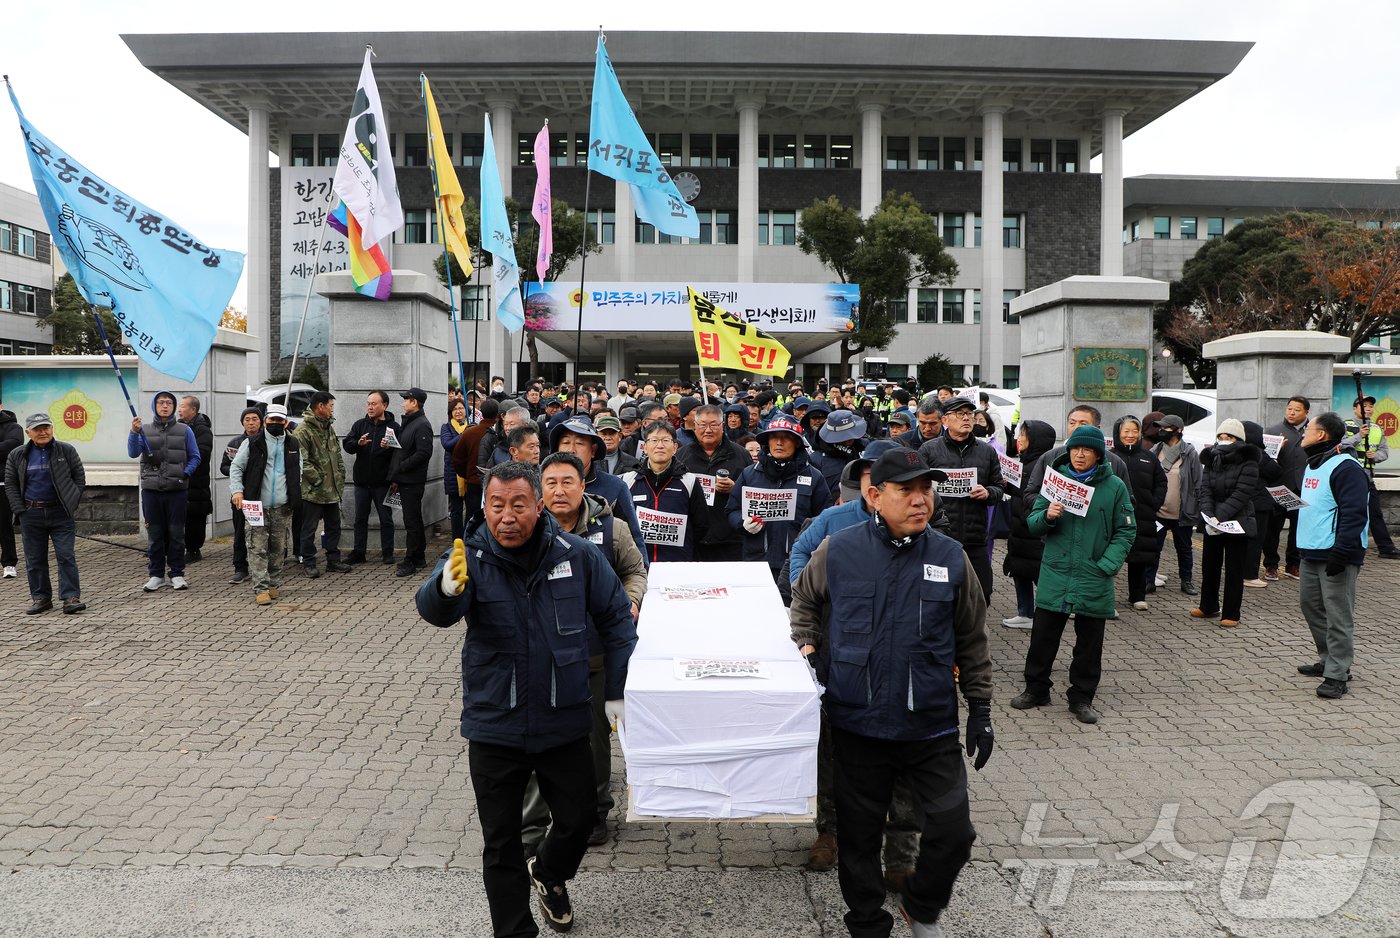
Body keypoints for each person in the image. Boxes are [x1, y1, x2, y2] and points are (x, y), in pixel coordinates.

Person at [415, 461, 637, 938]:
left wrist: (616, 692)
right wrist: (446, 588)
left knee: (579, 823)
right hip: (496, 724)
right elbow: (433, 611)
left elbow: (619, 621)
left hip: (564, 720)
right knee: (502, 844)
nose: (507, 516)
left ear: (539, 507)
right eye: (496, 505)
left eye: (518, 505)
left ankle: (550, 872)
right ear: (484, 507)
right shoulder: (468, 556)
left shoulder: (577, 556)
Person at [790, 446, 993, 938]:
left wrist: (981, 709)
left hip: (930, 725)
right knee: (858, 840)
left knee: (954, 833)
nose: (921, 499)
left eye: (927, 488)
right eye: (908, 490)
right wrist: (809, 645)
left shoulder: (951, 557)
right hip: (858, 723)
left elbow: (971, 638)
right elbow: (804, 602)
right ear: (875, 495)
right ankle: (866, 922)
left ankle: (922, 908)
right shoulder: (838, 549)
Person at [521, 452, 648, 854]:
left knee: (593, 740)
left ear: (583, 487)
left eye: (567, 482)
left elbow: (636, 570)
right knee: (540, 740)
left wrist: (630, 600)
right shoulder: (526, 529)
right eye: (551, 482)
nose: (559, 490)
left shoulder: (613, 529)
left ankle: (595, 812)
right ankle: (538, 820)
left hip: (594, 653)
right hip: (541, 659)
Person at [1013, 425, 1135, 724]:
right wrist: (1047, 516)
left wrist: (1107, 564)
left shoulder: (1114, 486)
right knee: (1043, 637)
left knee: (1089, 643)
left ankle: (1081, 697)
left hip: (1094, 574)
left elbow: (1126, 530)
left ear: (1098, 454)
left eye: (1087, 450)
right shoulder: (1056, 480)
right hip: (1056, 572)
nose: (1080, 454)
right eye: (1075, 449)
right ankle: (1036, 689)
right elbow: (1033, 523)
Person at [1294, 411, 1369, 698]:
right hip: (1311, 551)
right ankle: (1328, 659)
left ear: (1322, 435)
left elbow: (1354, 514)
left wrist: (1343, 551)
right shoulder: (1315, 464)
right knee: (1310, 607)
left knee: (1338, 614)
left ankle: (1338, 674)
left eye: (1307, 429)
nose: (1303, 434)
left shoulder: (1346, 467)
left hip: (1336, 554)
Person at [728, 415, 832, 588]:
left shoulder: (814, 477)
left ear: (797, 442)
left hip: (797, 563)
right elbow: (732, 510)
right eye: (774, 437)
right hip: (756, 562)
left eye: (786, 438)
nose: (779, 443)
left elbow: (824, 519)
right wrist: (742, 523)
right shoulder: (749, 474)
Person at [918, 397, 1004, 600]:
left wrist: (988, 492)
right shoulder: (929, 450)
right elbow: (916, 489)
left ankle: (974, 631)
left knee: (982, 593)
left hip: (975, 538)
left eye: (969, 414)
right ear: (946, 420)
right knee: (941, 594)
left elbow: (999, 487)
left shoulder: (987, 452)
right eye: (960, 414)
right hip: (939, 536)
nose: (966, 418)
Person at [5, 412, 86, 614]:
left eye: (46, 427)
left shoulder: (66, 450)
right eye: (37, 429)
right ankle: (41, 598)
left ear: (52, 428)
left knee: (66, 556)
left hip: (60, 513)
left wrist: (71, 501)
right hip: (31, 514)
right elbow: (11, 484)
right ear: (28, 432)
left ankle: (70, 597)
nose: (43, 432)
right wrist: (20, 510)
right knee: (34, 559)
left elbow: (79, 478)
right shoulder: (17, 455)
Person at [228, 404, 301, 606]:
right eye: (272, 420)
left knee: (278, 548)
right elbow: (236, 467)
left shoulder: (293, 444)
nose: (275, 424)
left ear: (285, 422)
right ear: (265, 421)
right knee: (257, 547)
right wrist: (237, 491)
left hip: (282, 506)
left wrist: (296, 496)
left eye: (279, 421)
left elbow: (298, 472)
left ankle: (273, 584)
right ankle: (260, 587)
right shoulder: (252, 443)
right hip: (255, 505)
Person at [128, 390, 201, 592]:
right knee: (155, 534)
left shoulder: (185, 430)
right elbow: (133, 452)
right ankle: (156, 574)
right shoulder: (145, 429)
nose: (165, 406)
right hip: (151, 490)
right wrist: (133, 433)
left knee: (177, 533)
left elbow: (195, 457)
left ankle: (177, 573)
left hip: (177, 490)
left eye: (169, 402)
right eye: (161, 402)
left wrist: (184, 474)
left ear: (174, 407)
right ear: (155, 406)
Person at [1190, 419, 1260, 628]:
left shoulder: (1249, 461)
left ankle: (1231, 613)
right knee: (1209, 565)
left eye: (1228, 438)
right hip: (1213, 521)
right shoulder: (1212, 459)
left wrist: (1219, 516)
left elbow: (1242, 493)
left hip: (1237, 521)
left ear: (1239, 440)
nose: (1223, 441)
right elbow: (1205, 489)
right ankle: (1208, 605)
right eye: (1220, 437)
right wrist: (1209, 515)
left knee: (1234, 569)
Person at [548, 416, 647, 558]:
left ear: (593, 450)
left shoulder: (615, 487)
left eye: (580, 443)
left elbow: (635, 545)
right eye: (565, 442)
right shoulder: (541, 485)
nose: (571, 450)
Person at [620, 422, 709, 563]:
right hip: (637, 564)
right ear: (645, 447)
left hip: (678, 563)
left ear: (674, 447)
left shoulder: (689, 480)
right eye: (654, 440)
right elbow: (621, 522)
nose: (659, 445)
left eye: (665, 440)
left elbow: (701, 524)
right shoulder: (628, 480)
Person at [1001, 420, 1056, 628]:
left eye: (1023, 435)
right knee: (1020, 570)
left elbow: (1033, 497)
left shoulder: (1042, 466)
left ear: (1036, 441)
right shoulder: (1022, 463)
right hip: (1020, 532)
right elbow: (1019, 494)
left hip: (1032, 532)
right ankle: (1026, 613)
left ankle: (1039, 614)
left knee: (1037, 574)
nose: (1018, 439)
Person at [1110, 416, 1166, 611]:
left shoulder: (1149, 457)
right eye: (1126, 431)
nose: (1130, 435)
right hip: (1113, 517)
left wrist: (1154, 504)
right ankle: (1106, 598)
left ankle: (1137, 596)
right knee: (1110, 557)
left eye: (1134, 431)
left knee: (1139, 558)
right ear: (1118, 433)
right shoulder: (1109, 457)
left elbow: (1161, 483)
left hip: (1142, 515)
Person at [294, 391, 349, 578]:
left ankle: (333, 560)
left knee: (334, 526)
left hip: (332, 489)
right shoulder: (302, 431)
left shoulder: (328, 427)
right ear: (320, 407)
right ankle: (309, 561)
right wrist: (318, 479)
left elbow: (337, 454)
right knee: (309, 529)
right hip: (313, 491)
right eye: (330, 406)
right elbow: (302, 461)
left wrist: (340, 473)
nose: (332, 409)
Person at [341, 391, 399, 566]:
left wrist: (389, 448)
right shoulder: (360, 425)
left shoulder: (394, 427)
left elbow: (399, 454)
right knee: (360, 519)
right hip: (362, 482)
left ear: (385, 405)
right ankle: (359, 552)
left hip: (383, 483)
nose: (370, 407)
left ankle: (387, 552)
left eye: (374, 404)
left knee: (386, 519)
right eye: (368, 403)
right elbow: (347, 445)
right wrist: (357, 444)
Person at [1148, 415, 1201, 597]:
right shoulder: (1155, 450)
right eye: (1160, 427)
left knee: (1184, 548)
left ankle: (1186, 580)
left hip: (1182, 513)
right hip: (1159, 512)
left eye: (1166, 428)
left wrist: (1197, 508)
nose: (1161, 431)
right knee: (1154, 547)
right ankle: (1149, 580)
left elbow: (1197, 482)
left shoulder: (1189, 453)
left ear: (1178, 430)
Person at [1343, 395, 1400, 559]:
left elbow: (1385, 452)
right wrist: (1359, 436)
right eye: (1363, 406)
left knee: (1375, 513)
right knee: (1346, 512)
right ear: (1355, 409)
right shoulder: (1345, 425)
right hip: (1349, 477)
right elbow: (1340, 445)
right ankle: (1345, 546)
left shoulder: (1377, 428)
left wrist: (1374, 456)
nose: (1368, 409)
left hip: (1367, 477)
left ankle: (1386, 548)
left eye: (1370, 406)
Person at [389, 387, 435, 577]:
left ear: (414, 402)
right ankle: (418, 556)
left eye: (406, 399)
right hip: (404, 479)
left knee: (411, 521)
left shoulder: (422, 424)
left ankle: (411, 560)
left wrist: (402, 467)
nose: (403, 402)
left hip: (412, 481)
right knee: (414, 519)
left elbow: (424, 453)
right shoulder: (409, 422)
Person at [1264, 396, 1310, 580]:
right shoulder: (1274, 431)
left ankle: (1293, 564)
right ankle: (1271, 564)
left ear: (1306, 412)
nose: (1291, 412)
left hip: (1303, 489)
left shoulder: (1314, 432)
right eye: (1289, 408)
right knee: (1272, 529)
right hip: (1278, 488)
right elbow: (1265, 460)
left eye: (1297, 410)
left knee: (1299, 529)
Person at [221, 408, 264, 584]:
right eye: (247, 419)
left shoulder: (267, 441)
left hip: (262, 495)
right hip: (240, 496)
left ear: (261, 422)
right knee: (239, 532)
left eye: (255, 419)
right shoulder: (235, 443)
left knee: (262, 532)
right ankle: (240, 567)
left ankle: (263, 567)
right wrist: (238, 470)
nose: (251, 422)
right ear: (242, 423)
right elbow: (223, 467)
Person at [1241, 421, 1284, 588]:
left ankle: (1239, 572)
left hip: (1240, 502)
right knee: (1255, 540)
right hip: (1258, 503)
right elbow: (1275, 473)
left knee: (1240, 541)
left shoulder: (1236, 450)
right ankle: (1250, 575)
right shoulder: (1257, 452)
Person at [452, 398, 500, 533]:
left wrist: (467, 474)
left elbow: (457, 458)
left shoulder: (469, 432)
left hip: (473, 481)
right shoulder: (500, 434)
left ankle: (469, 546)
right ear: (498, 414)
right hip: (495, 483)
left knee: (472, 517)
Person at [177, 395, 213, 563]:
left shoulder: (202, 429)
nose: (179, 409)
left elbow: (201, 453)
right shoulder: (178, 426)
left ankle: (193, 550)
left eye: (182, 406)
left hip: (197, 481)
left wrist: (179, 458)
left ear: (193, 409)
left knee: (195, 518)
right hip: (179, 480)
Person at [812, 409, 868, 494]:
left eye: (851, 433)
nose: (849, 439)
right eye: (844, 436)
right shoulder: (817, 459)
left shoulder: (866, 449)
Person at [441, 399, 471, 540]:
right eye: (455, 409)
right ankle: (457, 540)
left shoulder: (472, 426)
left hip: (469, 473)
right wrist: (463, 435)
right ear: (451, 413)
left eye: (461, 408)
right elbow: (447, 444)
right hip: (453, 473)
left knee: (471, 509)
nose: (458, 411)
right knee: (456, 511)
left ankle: (468, 537)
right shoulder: (446, 427)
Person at [0, 402, 24, 578]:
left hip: (2, 483)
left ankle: (9, 563)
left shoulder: (13, 427)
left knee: (3, 524)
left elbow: (12, 446)